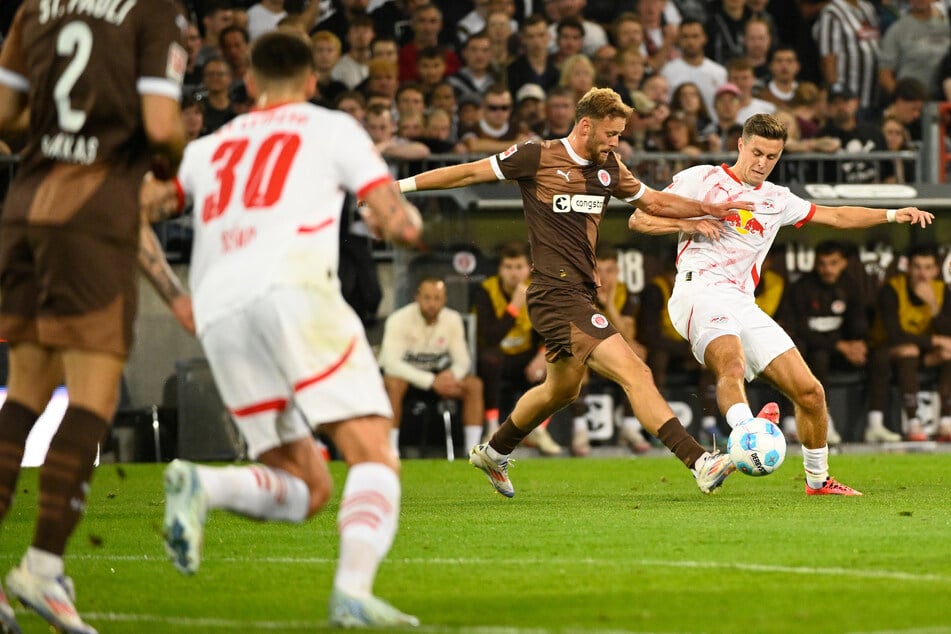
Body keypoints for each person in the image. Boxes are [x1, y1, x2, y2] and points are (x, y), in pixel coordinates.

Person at [142, 32, 422, 627]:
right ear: (312, 83)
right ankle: (352, 591)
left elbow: (128, 214)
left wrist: (175, 297)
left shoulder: (207, 147)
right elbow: (393, 218)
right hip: (295, 289)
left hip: (220, 310)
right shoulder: (331, 128)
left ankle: (203, 486)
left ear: (248, 84)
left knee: (307, 486)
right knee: (373, 448)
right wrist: (409, 224)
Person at [398, 87, 751, 498]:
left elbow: (653, 202)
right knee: (635, 372)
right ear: (586, 125)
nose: (616, 142)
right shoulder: (537, 156)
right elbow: (467, 173)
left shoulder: (609, 169)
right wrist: (398, 188)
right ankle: (699, 462)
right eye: (612, 133)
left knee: (561, 391)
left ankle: (494, 451)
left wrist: (706, 209)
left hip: (581, 294)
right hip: (553, 293)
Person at [0, 1, 188, 631]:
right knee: (92, 400)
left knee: (23, 396)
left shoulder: (37, 5)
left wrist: (53, 137)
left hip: (25, 206)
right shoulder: (153, 10)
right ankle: (43, 567)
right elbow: (162, 125)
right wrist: (166, 161)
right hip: (91, 216)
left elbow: (4, 115)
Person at [629, 113, 934, 496]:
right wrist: (687, 223)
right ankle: (747, 436)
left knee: (810, 393)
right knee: (732, 363)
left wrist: (892, 214)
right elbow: (640, 219)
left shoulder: (777, 199)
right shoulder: (701, 178)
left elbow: (837, 216)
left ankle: (818, 480)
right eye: (756, 152)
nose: (762, 163)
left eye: (772, 157)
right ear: (740, 145)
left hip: (741, 301)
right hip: (699, 291)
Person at [779, 241, 875, 441]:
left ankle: (875, 424)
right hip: (813, 349)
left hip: (842, 353)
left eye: (833, 263)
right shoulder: (801, 288)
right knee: (804, 353)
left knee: (879, 356)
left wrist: (859, 344)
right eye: (822, 264)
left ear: (844, 263)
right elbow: (797, 330)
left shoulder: (851, 287)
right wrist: (838, 345)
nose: (827, 269)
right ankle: (798, 421)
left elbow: (859, 323)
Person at [470, 241, 559, 454]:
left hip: (526, 358)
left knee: (558, 362)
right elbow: (489, 337)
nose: (513, 273)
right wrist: (514, 307)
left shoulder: (539, 290)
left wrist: (541, 356)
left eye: (518, 267)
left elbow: (551, 331)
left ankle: (539, 429)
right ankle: (491, 427)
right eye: (508, 267)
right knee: (490, 358)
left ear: (528, 268)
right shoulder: (487, 291)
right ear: (500, 270)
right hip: (497, 358)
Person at [378, 278, 485, 455]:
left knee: (474, 385)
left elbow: (463, 361)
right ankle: (391, 450)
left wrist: (451, 375)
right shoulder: (398, 319)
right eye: (427, 298)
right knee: (394, 384)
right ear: (417, 298)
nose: (432, 304)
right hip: (407, 377)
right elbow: (391, 363)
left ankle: (471, 452)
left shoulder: (453, 319)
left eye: (437, 298)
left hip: (439, 378)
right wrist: (430, 381)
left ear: (445, 300)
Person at [867, 244, 951, 442]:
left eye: (928, 267)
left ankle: (947, 420)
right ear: (908, 268)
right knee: (909, 350)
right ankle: (913, 421)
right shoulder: (891, 288)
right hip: (884, 350)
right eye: (917, 267)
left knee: (948, 352)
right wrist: (935, 340)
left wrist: (933, 306)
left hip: (921, 352)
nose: (923, 274)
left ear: (936, 270)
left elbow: (948, 333)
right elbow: (894, 335)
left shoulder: (941, 290)